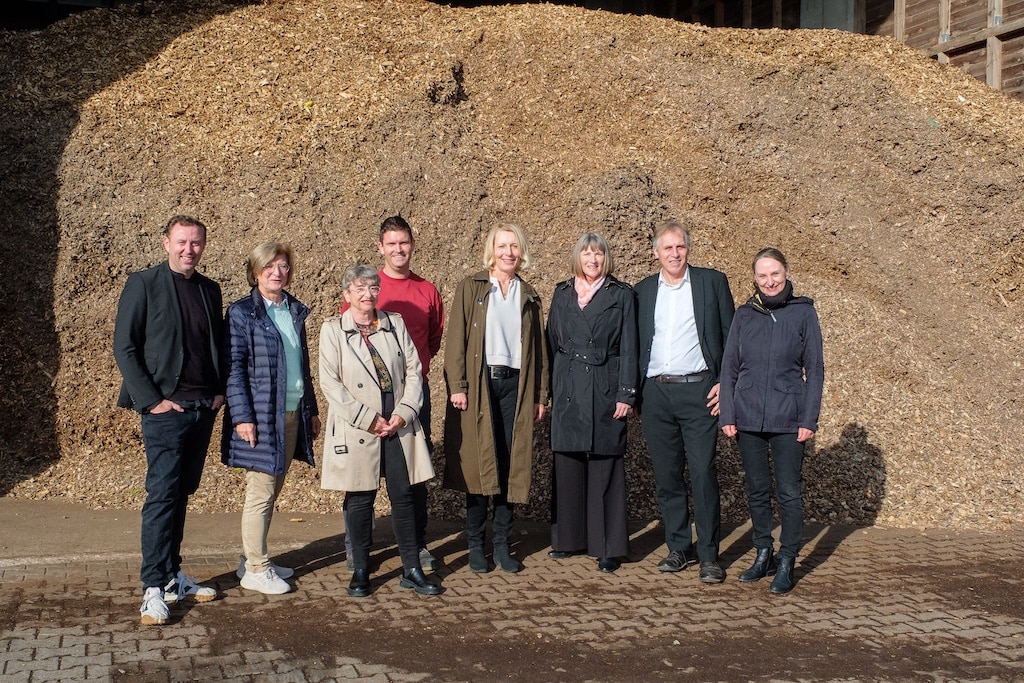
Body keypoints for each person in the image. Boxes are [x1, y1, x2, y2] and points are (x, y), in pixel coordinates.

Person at [113, 214, 224, 625]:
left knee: (180, 494)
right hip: (165, 412)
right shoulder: (143, 284)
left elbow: (215, 344)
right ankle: (153, 587)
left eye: (196, 243)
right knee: (161, 496)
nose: (188, 249)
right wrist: (152, 401)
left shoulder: (210, 289)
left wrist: (218, 390)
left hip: (201, 410)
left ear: (204, 245)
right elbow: (124, 347)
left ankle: (174, 575)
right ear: (166, 242)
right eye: (181, 242)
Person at [319, 264, 440, 597]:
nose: (367, 294)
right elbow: (331, 384)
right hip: (362, 427)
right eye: (359, 288)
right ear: (346, 295)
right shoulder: (332, 330)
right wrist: (367, 418)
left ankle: (412, 568)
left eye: (372, 287)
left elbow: (415, 372)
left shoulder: (394, 324)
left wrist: (403, 412)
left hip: (398, 426)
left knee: (404, 497)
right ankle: (360, 568)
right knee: (360, 500)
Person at [444, 222, 549, 574]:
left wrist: (540, 394)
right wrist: (457, 385)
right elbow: (455, 340)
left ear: (521, 252)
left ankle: (502, 545)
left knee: (510, 467)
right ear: (493, 249)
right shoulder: (472, 287)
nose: (508, 253)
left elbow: (540, 351)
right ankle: (476, 545)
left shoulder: (529, 295)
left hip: (516, 388)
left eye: (514, 247)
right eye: (503, 246)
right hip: (480, 386)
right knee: (478, 467)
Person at [341, 216, 445, 572]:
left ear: (412, 244)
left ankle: (417, 545)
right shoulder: (366, 285)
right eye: (391, 243)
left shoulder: (427, 290)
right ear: (380, 247)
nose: (398, 249)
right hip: (367, 402)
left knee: (413, 476)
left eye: (404, 242)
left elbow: (431, 340)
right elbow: (348, 343)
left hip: (412, 398)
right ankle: (357, 550)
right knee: (361, 475)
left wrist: (409, 393)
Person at [719, 247, 824, 594]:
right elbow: (729, 366)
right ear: (755, 278)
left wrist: (809, 418)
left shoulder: (803, 313)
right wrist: (729, 414)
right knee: (758, 491)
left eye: (775, 273)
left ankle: (787, 559)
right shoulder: (744, 315)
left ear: (786, 272)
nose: (770, 281)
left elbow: (816, 369)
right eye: (763, 276)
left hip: (789, 418)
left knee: (789, 493)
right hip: (748, 418)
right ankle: (763, 551)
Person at [634, 219, 735, 584]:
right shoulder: (643, 291)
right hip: (656, 393)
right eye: (668, 248)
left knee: (703, 473)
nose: (675, 253)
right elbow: (635, 344)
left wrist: (726, 382)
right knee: (667, 475)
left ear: (687, 249)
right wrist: (634, 393)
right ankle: (679, 547)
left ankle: (709, 554)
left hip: (699, 392)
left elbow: (731, 337)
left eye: (680, 246)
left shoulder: (712, 283)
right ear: (656, 252)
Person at [221, 242, 321, 595]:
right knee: (261, 492)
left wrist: (311, 411)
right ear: (255, 271)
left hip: (292, 413)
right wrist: (243, 417)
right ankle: (257, 569)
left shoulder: (293, 310)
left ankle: (253, 558)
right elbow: (233, 369)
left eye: (283, 266)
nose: (277, 273)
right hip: (261, 416)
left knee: (273, 488)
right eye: (270, 267)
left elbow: (301, 367)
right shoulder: (242, 313)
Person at [546, 232, 638, 573]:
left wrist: (626, 393)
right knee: (567, 461)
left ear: (606, 258)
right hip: (568, 383)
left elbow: (630, 345)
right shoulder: (562, 293)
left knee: (605, 463)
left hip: (605, 382)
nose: (593, 260)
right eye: (587, 254)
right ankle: (568, 540)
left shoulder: (621, 295)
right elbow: (551, 342)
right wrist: (550, 390)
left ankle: (608, 546)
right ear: (578, 258)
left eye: (599, 254)